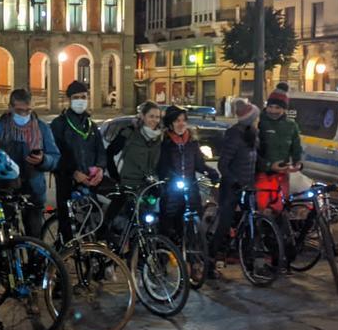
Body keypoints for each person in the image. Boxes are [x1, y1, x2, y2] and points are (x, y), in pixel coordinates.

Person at [0, 88, 60, 238]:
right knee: (5, 237)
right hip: (7, 190)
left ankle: (36, 261)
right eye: (19, 110)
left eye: (27, 110)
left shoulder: (42, 128)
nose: (24, 115)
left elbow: (55, 157)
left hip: (34, 191)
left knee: (35, 236)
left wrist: (43, 160)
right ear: (10, 107)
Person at [49, 80, 107, 242]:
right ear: (69, 100)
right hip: (67, 182)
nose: (80, 100)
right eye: (76, 97)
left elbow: (101, 152)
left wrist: (100, 169)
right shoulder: (58, 124)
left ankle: (92, 258)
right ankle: (62, 259)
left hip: (90, 182)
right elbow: (55, 155)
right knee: (67, 228)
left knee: (91, 225)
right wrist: (73, 172)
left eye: (83, 96)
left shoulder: (91, 126)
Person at [210, 100, 260, 275]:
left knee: (252, 222)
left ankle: (248, 260)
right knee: (224, 223)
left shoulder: (253, 134)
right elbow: (223, 164)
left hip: (248, 186)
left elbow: (255, 160)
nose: (256, 121)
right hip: (232, 187)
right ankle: (212, 258)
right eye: (254, 118)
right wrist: (234, 181)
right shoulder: (233, 135)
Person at [104, 102, 165, 240]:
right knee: (124, 227)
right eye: (151, 116)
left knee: (147, 227)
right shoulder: (129, 133)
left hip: (147, 188)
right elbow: (109, 153)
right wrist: (116, 177)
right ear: (142, 116)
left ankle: (141, 259)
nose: (154, 120)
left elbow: (160, 163)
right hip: (128, 186)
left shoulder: (159, 137)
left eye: (157, 117)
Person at [157, 106, 217, 240]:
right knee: (169, 219)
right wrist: (169, 177)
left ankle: (191, 250)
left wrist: (210, 172)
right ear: (170, 123)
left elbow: (199, 164)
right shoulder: (164, 142)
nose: (181, 124)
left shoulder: (191, 142)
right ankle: (165, 250)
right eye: (177, 120)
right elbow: (162, 166)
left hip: (190, 186)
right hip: (171, 188)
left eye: (184, 120)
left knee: (194, 217)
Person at [255, 83, 302, 215]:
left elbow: (296, 146)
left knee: (279, 210)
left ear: (284, 109)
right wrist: (269, 166)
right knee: (262, 210)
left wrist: (297, 162)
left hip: (282, 176)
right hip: (263, 175)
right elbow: (253, 151)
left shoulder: (291, 125)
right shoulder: (259, 123)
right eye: (270, 107)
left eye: (277, 108)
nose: (273, 111)